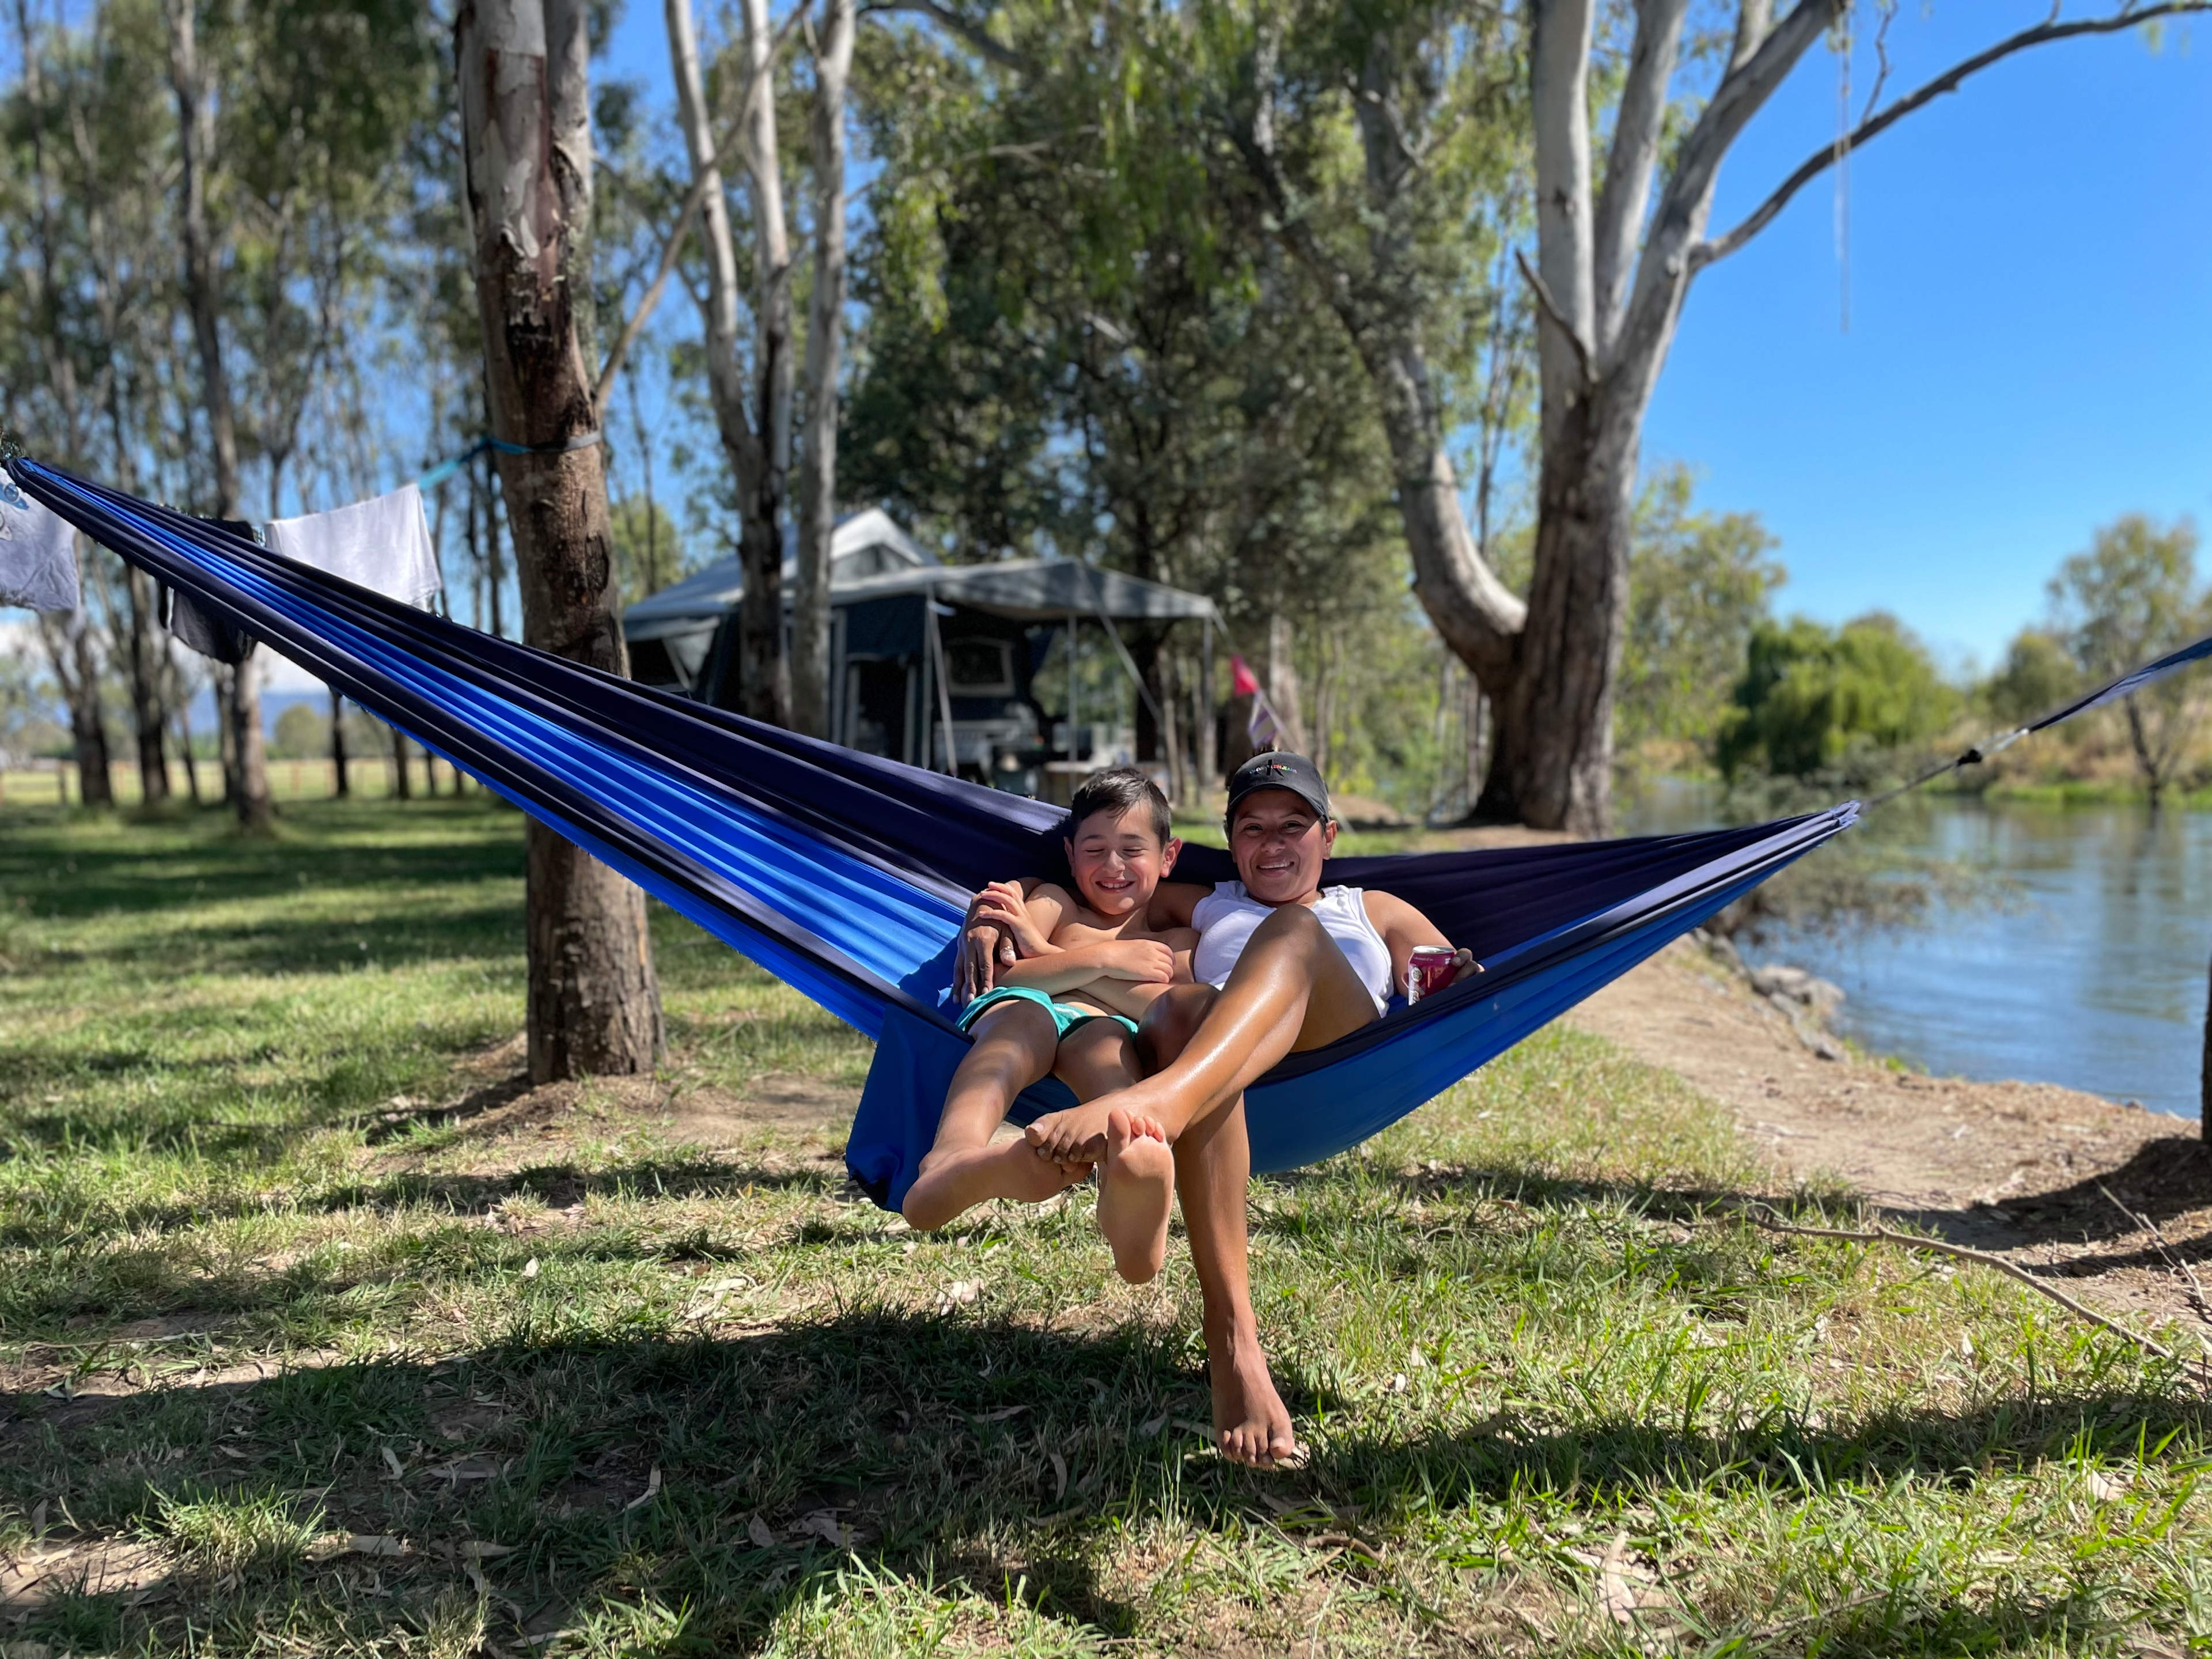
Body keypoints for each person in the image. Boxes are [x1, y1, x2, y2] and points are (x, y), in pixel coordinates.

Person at [959, 751, 1477, 1468]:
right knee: (1182, 1011)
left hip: (1331, 1042)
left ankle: (1161, 1104)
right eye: (1252, 828)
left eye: (1293, 826)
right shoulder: (1205, 902)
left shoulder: (1370, 906)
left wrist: (1460, 983)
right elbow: (1091, 898)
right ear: (1230, 842)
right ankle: (1231, 1332)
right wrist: (993, 911)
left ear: (1328, 837)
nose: (1272, 844)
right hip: (1218, 1060)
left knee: (1293, 930)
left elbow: (1445, 975)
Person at [903, 768, 1195, 1283]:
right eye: (1095, 849)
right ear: (1069, 852)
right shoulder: (1056, 902)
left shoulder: (1178, 936)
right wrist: (1107, 960)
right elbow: (1006, 972)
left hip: (1103, 1029)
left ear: (1168, 856)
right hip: (1025, 1008)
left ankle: (1128, 1191)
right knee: (1018, 1029)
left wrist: (1068, 964)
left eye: (1133, 849)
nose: (1113, 865)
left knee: (1113, 1064)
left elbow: (1166, 1005)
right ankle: (951, 1158)